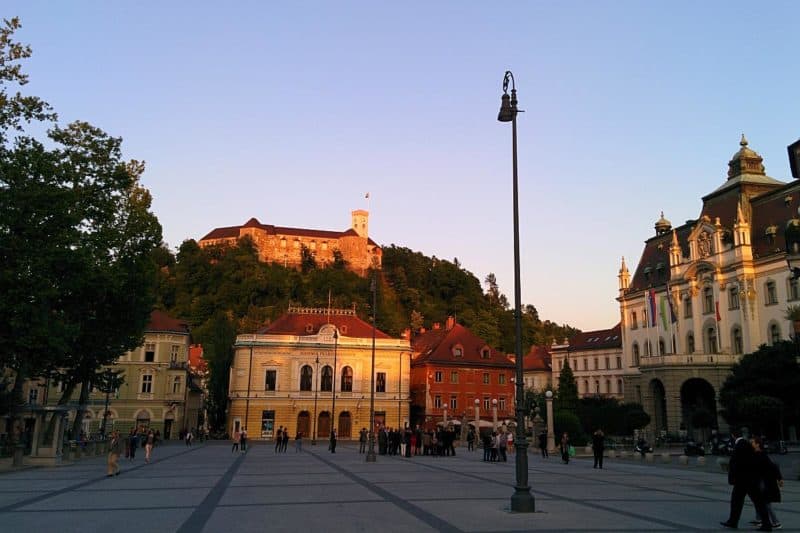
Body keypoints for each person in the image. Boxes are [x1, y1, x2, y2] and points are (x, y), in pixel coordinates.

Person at [720, 429, 772, 531]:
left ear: (732, 436)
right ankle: (733, 521)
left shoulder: (740, 445)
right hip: (747, 479)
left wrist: (732, 475)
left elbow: (737, 463)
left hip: (745, 480)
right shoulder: (745, 444)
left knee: (752, 501)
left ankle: (766, 524)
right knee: (741, 501)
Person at [751, 436, 783, 530]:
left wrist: (779, 478)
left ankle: (776, 522)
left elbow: (773, 467)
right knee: (759, 501)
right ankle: (759, 519)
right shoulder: (756, 454)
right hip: (760, 481)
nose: (751, 444)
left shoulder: (761, 455)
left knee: (766, 503)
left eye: (753, 442)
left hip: (764, 482)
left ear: (757, 444)